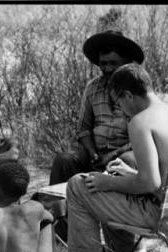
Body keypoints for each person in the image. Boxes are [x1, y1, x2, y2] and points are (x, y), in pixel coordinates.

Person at [63, 64, 168, 252]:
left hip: (166, 220)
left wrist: (107, 182)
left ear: (128, 95)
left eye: (119, 103)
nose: (121, 109)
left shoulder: (141, 122)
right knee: (118, 185)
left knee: (78, 185)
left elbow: (150, 184)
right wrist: (128, 176)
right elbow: (162, 179)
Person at [49, 30, 144, 186]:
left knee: (127, 160)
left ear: (126, 63)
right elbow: (83, 128)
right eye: (103, 63)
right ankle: (55, 205)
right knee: (64, 159)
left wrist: (113, 155)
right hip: (96, 153)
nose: (107, 68)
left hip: (125, 152)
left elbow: (142, 137)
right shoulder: (93, 87)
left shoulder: (137, 90)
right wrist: (92, 153)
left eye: (113, 63)